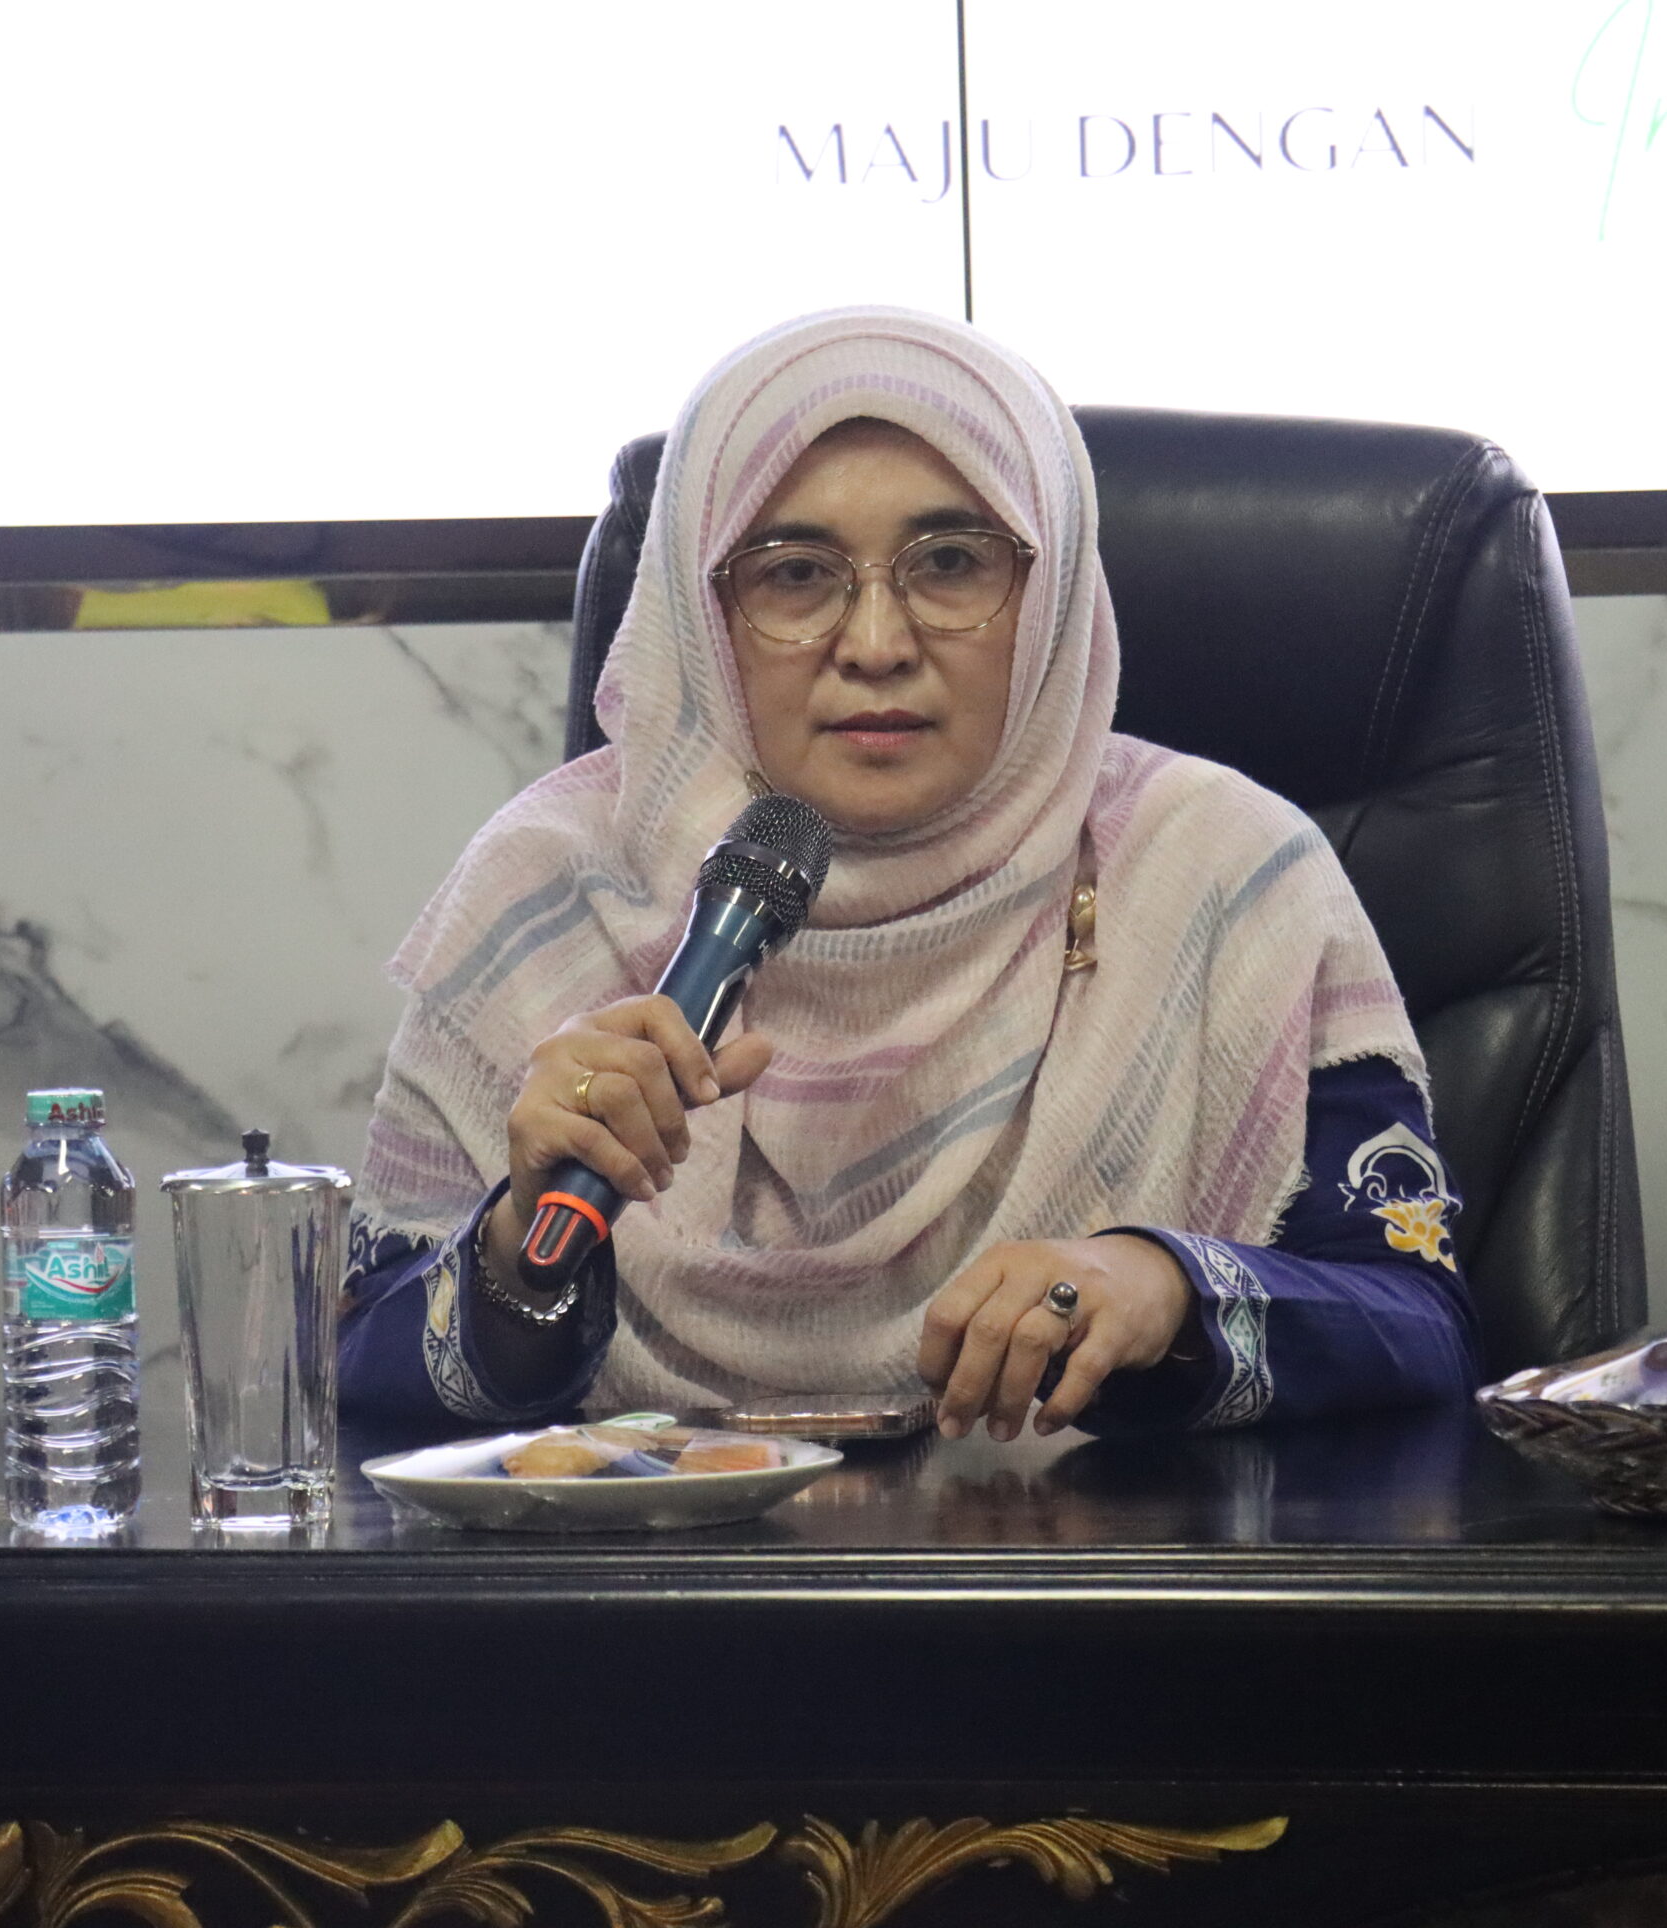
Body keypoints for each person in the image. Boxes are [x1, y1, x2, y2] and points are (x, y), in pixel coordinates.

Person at [340, 307, 1475, 1443]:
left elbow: (1419, 1321)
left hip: (1103, 1554)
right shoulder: (549, 887)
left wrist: (1162, 1288)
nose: (876, 643)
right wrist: (518, 1248)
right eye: (795, 574)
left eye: (951, 564)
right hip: (659, 1554)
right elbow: (354, 1366)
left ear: (1051, 595)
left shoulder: (1221, 869)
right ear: (700, 613)